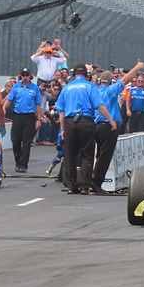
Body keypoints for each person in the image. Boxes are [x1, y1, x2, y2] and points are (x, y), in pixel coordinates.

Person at [55, 63, 116, 195]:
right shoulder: (90, 86)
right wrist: (110, 120)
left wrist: (63, 129)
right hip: (86, 121)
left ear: (73, 74)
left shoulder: (66, 88)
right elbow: (99, 105)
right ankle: (84, 185)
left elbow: (60, 110)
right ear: (87, 75)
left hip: (70, 122)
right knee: (87, 155)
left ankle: (71, 185)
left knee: (70, 155)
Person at [92, 63, 143, 194]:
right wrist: (137, 68)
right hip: (108, 126)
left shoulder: (96, 91)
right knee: (105, 155)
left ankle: (90, 179)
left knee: (97, 154)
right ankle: (97, 182)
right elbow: (125, 80)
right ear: (110, 81)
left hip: (96, 125)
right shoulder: (110, 90)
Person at [2, 68, 43, 173]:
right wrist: (3, 108)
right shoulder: (16, 87)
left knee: (26, 141)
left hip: (29, 116)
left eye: (27, 75)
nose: (25, 77)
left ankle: (24, 164)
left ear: (30, 76)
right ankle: (18, 161)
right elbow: (9, 100)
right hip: (17, 116)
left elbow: (38, 104)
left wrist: (38, 119)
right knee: (15, 140)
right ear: (21, 76)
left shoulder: (35, 88)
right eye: (23, 75)